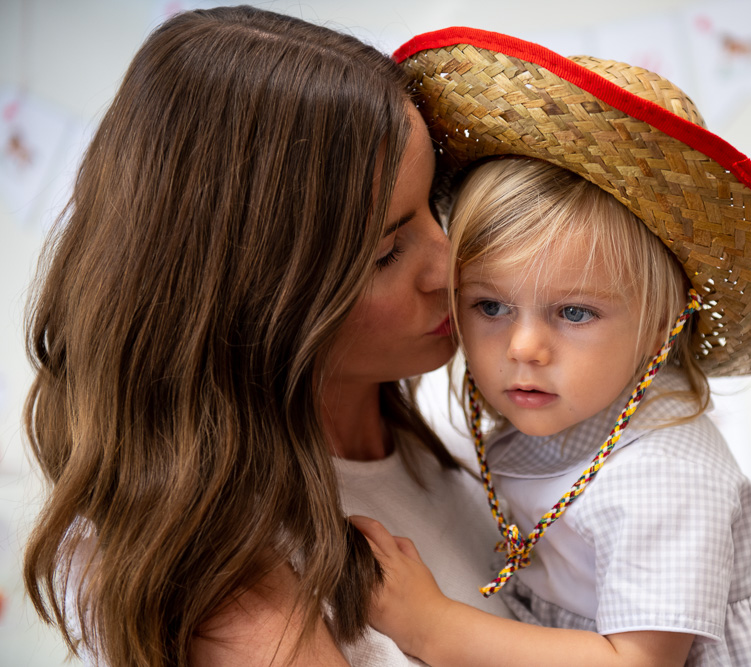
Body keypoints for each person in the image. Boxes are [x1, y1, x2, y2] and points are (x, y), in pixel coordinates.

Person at [21, 9, 511, 667]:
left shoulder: (449, 446)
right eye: (387, 252)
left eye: (437, 207)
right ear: (250, 298)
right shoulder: (226, 574)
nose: (449, 263)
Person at [353, 28, 751, 665]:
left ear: (660, 323)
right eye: (489, 306)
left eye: (573, 312)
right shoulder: (533, 418)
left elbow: (634, 660)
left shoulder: (666, 472)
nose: (524, 347)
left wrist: (431, 625)